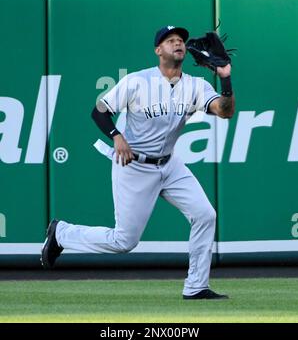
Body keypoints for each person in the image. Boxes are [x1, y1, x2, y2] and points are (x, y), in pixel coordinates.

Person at [41, 25, 235, 299]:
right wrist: (116, 136)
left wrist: (225, 79)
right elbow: (98, 112)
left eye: (181, 40)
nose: (178, 43)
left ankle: (196, 286)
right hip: (134, 166)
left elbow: (225, 112)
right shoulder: (137, 82)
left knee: (205, 214)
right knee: (124, 241)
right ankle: (62, 233)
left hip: (169, 165)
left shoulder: (195, 85)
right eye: (170, 40)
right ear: (158, 50)